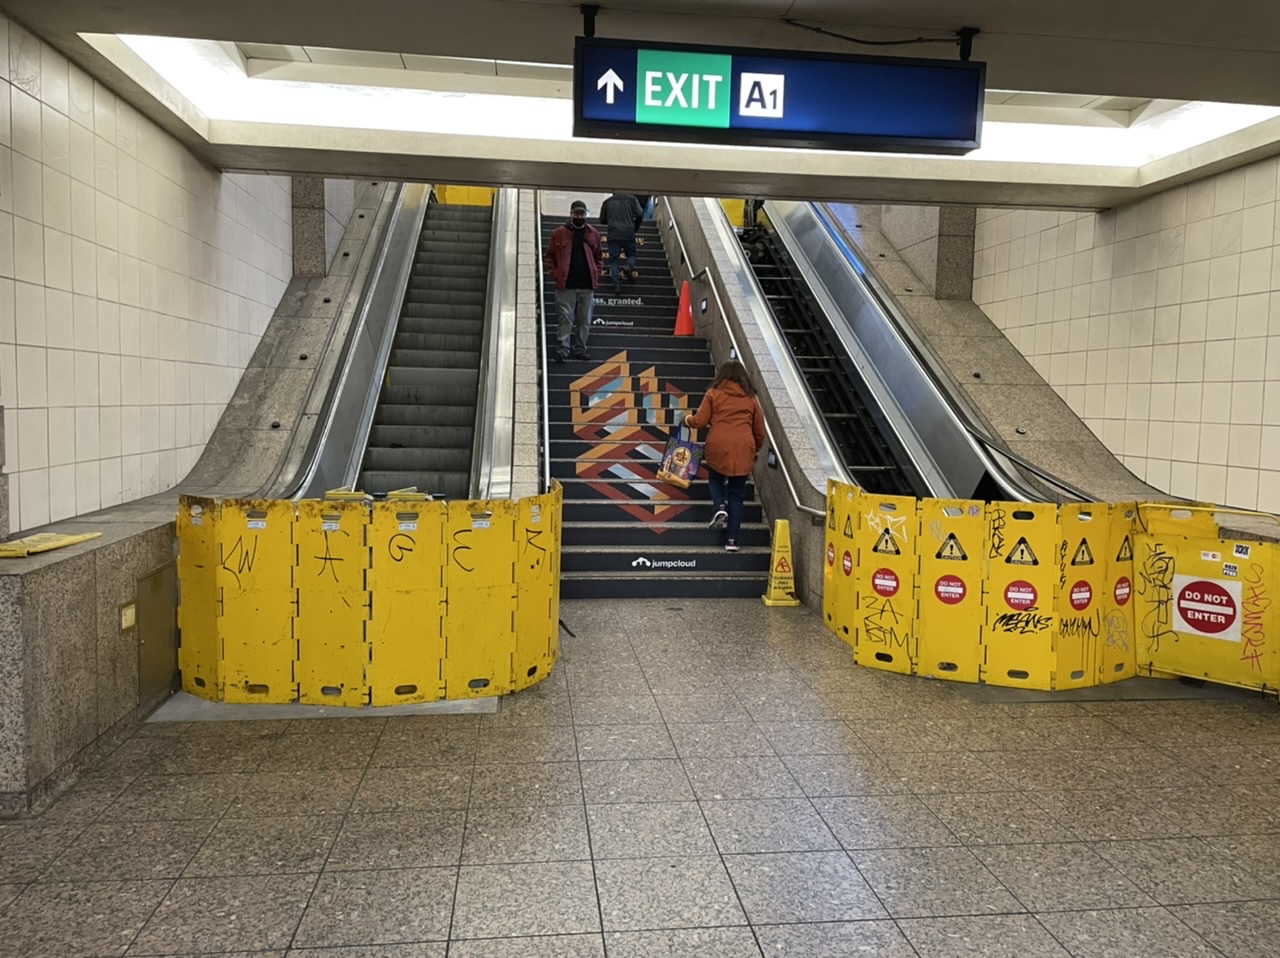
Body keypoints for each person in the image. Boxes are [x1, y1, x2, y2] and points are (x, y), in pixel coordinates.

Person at [682, 360, 765, 553]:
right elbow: (760, 430)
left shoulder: (713, 394)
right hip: (744, 446)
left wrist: (686, 420)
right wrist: (756, 449)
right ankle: (732, 541)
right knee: (736, 495)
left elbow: (700, 421)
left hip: (718, 444)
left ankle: (719, 505)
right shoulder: (751, 398)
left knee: (716, 479)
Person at [544, 199, 603, 362]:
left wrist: (596, 273)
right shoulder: (559, 233)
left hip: (587, 285)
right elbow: (549, 255)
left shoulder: (593, 234)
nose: (579, 216)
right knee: (565, 317)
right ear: (570, 214)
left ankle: (580, 348)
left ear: (586, 214)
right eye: (576, 213)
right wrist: (555, 273)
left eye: (582, 213)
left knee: (584, 320)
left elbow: (598, 256)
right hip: (566, 285)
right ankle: (563, 348)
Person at [598, 191, 644, 292]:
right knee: (631, 255)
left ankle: (616, 283)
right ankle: (628, 267)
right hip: (628, 233)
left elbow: (602, 220)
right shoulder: (632, 199)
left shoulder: (607, 202)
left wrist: (611, 219)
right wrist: (635, 227)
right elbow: (640, 214)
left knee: (614, 260)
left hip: (613, 233)